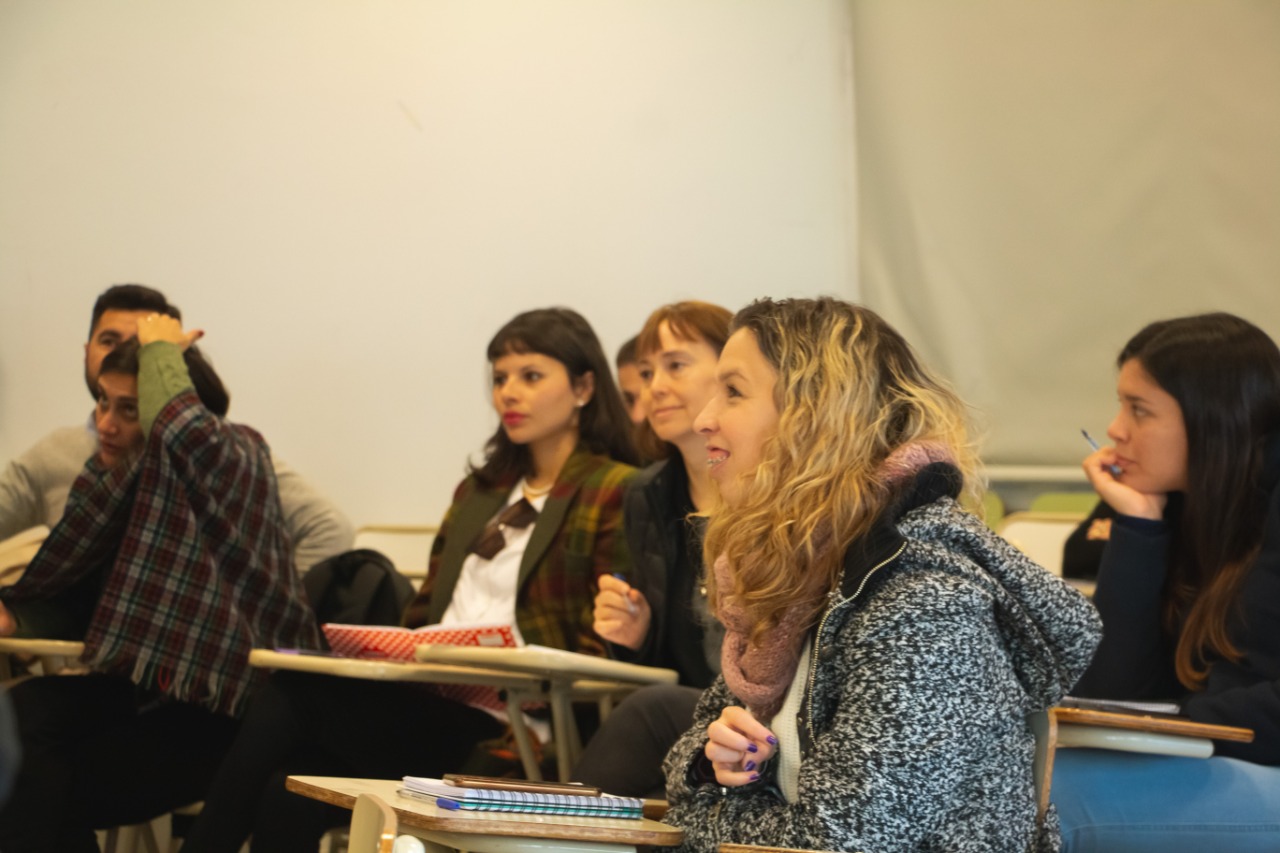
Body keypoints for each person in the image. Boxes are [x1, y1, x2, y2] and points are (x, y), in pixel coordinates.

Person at [182, 307, 638, 853]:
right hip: (436, 702)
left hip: (520, 723)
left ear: (584, 387)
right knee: (289, 789)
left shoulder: (616, 489)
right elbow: (422, 619)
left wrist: (523, 677)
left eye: (531, 376)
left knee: (291, 694)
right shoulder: (480, 494)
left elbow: (607, 639)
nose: (508, 393)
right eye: (499, 378)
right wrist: (398, 648)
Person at [661, 297, 1101, 853]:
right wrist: (709, 765)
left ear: (815, 416)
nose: (703, 419)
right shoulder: (801, 577)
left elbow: (836, 842)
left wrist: (717, 807)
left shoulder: (925, 604)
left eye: (733, 392)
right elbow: (685, 771)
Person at [0, 314, 321, 853]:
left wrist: (159, 350)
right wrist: (18, 617)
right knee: (21, 719)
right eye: (103, 402)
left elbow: (185, 430)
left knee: (39, 783)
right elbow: (80, 596)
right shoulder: (115, 481)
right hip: (145, 687)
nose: (105, 423)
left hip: (225, 704)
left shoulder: (232, 454)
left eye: (130, 409)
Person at [1054, 312, 1280, 852]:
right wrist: (1137, 524)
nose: (1115, 429)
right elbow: (1114, 688)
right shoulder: (1191, 509)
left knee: (1038, 802)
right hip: (1218, 754)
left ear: (1212, 420)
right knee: (1006, 781)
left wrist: (1171, 724)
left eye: (1139, 410)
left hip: (1258, 757)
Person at [0, 284, 353, 572]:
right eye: (110, 341)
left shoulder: (217, 452)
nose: (127, 355)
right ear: (86, 351)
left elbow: (328, 528)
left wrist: (272, 618)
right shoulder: (59, 455)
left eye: (145, 345)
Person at [574, 301, 732, 796]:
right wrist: (634, 633)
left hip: (751, 715)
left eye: (675, 365)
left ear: (732, 374)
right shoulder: (648, 494)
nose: (655, 387)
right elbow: (660, 664)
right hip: (686, 716)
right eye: (647, 372)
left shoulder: (771, 488)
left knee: (649, 713)